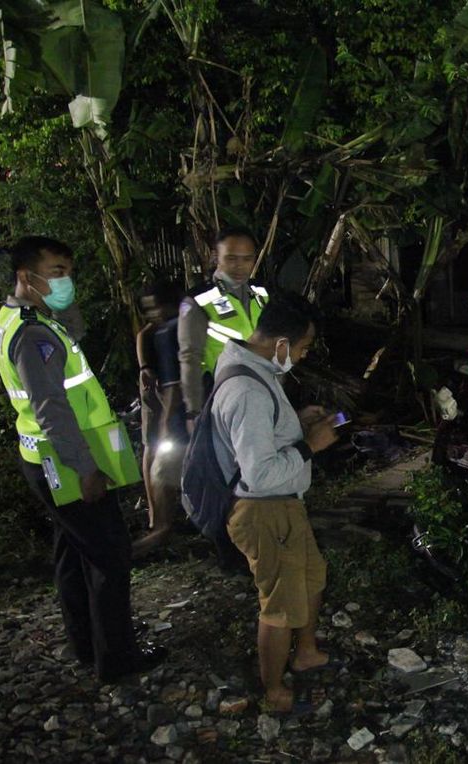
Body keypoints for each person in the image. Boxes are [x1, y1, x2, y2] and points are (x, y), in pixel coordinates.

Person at [0, 235, 165, 683]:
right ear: (26, 277)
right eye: (56, 273)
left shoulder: (21, 317)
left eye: (68, 272)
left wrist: (62, 305)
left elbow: (75, 336)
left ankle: (86, 644)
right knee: (109, 555)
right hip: (65, 463)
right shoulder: (33, 335)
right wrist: (85, 469)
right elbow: (50, 407)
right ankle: (118, 660)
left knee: (72, 551)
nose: (66, 281)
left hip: (44, 458)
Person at [210, 291, 339, 713]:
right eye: (303, 347)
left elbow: (256, 437)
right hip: (264, 508)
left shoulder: (254, 368)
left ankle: (306, 653)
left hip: (284, 505)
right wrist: (310, 446)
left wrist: (295, 424)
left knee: (312, 577)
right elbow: (259, 474)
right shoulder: (247, 389)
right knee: (280, 604)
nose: (302, 356)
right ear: (281, 342)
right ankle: (274, 691)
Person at [177, 226, 269, 429]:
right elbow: (190, 357)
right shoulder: (199, 300)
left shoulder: (261, 294)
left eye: (247, 259)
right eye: (231, 258)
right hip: (218, 400)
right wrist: (194, 411)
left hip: (260, 395)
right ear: (216, 257)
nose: (240, 266)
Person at [132, 280, 185, 559]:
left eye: (157, 307)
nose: (154, 314)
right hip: (161, 401)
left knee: (163, 464)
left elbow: (176, 384)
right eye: (148, 309)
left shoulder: (175, 330)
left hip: (178, 406)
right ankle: (159, 521)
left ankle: (163, 524)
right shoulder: (154, 334)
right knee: (156, 454)